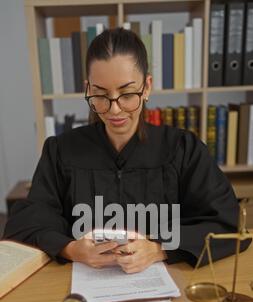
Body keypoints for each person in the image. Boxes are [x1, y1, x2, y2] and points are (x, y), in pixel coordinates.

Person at [4, 28, 251, 273]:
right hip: (81, 285)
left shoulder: (183, 149)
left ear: (147, 87)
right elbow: (23, 226)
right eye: (101, 94)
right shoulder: (61, 151)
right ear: (88, 89)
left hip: (168, 287)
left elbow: (227, 224)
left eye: (127, 93)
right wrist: (71, 249)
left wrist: (159, 249)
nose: (114, 110)